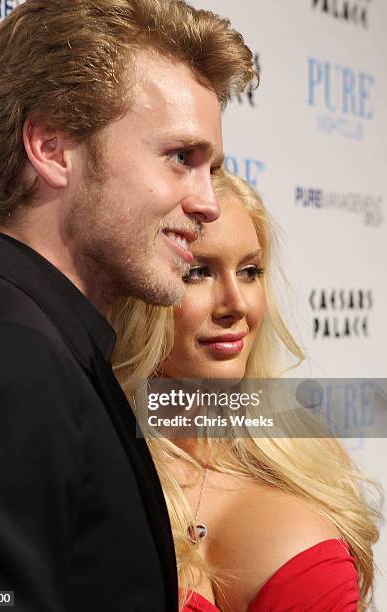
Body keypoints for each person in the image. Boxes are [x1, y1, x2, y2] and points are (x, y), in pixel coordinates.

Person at [0, 2, 256, 610]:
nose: (208, 203)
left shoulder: (40, 337)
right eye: (180, 158)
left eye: (211, 168)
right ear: (52, 147)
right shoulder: (5, 352)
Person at [109, 169, 381, 611]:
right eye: (198, 272)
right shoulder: (98, 467)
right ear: (138, 292)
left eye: (250, 271)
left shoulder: (305, 451)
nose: (236, 303)